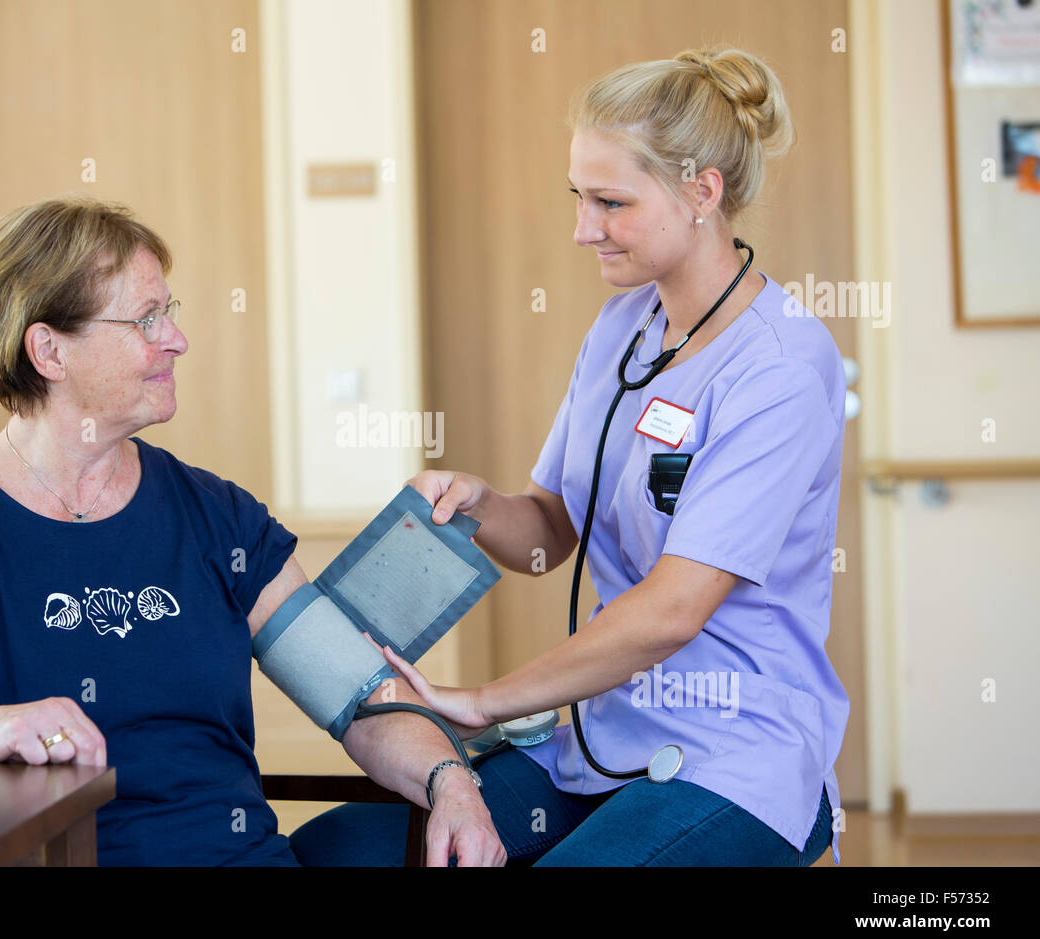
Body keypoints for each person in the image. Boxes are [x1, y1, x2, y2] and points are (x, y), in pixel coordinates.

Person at [0, 196, 505, 867]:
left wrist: (451, 783)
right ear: (49, 352)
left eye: (170, 311)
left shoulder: (215, 517)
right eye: (146, 320)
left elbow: (356, 694)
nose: (177, 339)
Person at [290, 47, 848, 866]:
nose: (584, 229)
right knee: (346, 850)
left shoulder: (783, 367)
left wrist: (482, 700)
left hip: (734, 753)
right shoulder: (621, 331)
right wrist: (481, 508)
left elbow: (670, 611)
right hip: (603, 736)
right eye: (579, 198)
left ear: (703, 191)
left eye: (610, 202)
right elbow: (551, 534)